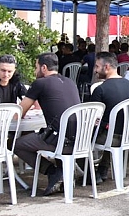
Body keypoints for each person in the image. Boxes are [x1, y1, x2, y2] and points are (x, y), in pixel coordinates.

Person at [14, 52, 82, 196]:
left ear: (43, 67)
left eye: (36, 67)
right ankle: (62, 173)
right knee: (53, 131)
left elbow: (19, 113)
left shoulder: (40, 83)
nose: (35, 71)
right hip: (80, 140)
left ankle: (53, 172)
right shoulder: (70, 82)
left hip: (60, 141)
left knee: (16, 145)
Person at [90, 52, 129, 183]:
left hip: (110, 138)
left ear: (106, 67)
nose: (95, 70)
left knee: (80, 136)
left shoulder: (101, 89)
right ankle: (102, 168)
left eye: (97, 66)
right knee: (110, 127)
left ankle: (89, 172)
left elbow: (91, 118)